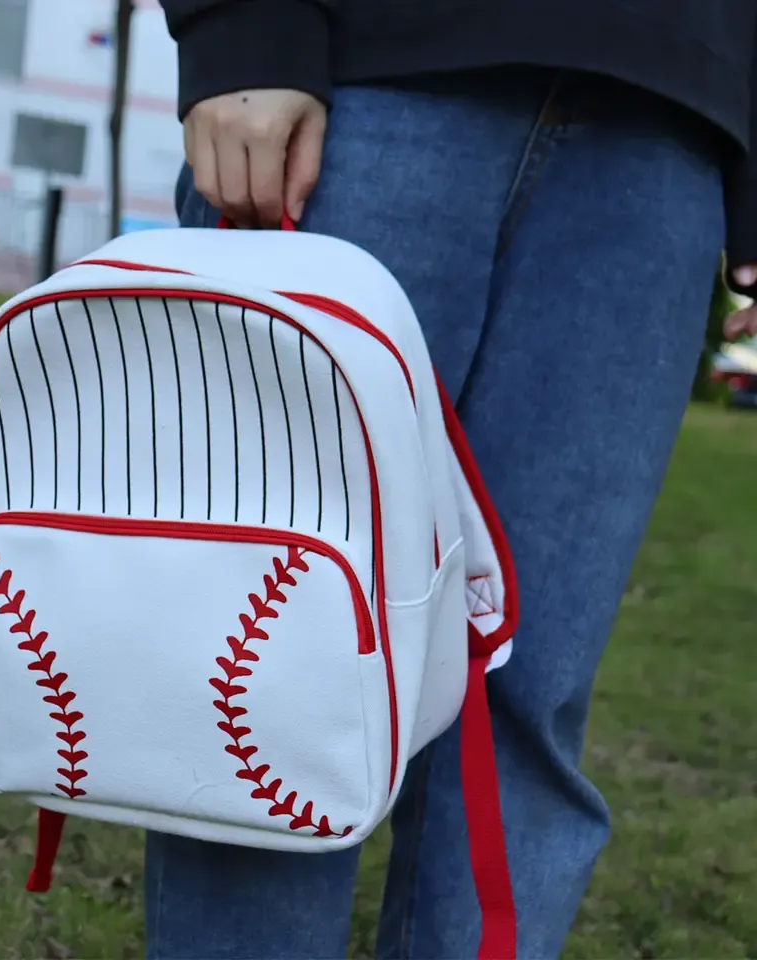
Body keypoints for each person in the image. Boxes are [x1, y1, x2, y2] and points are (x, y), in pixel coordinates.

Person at [146, 2, 757, 957]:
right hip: (367, 83)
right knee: (271, 673)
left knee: (525, 697)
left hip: (666, 125)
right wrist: (243, 24)